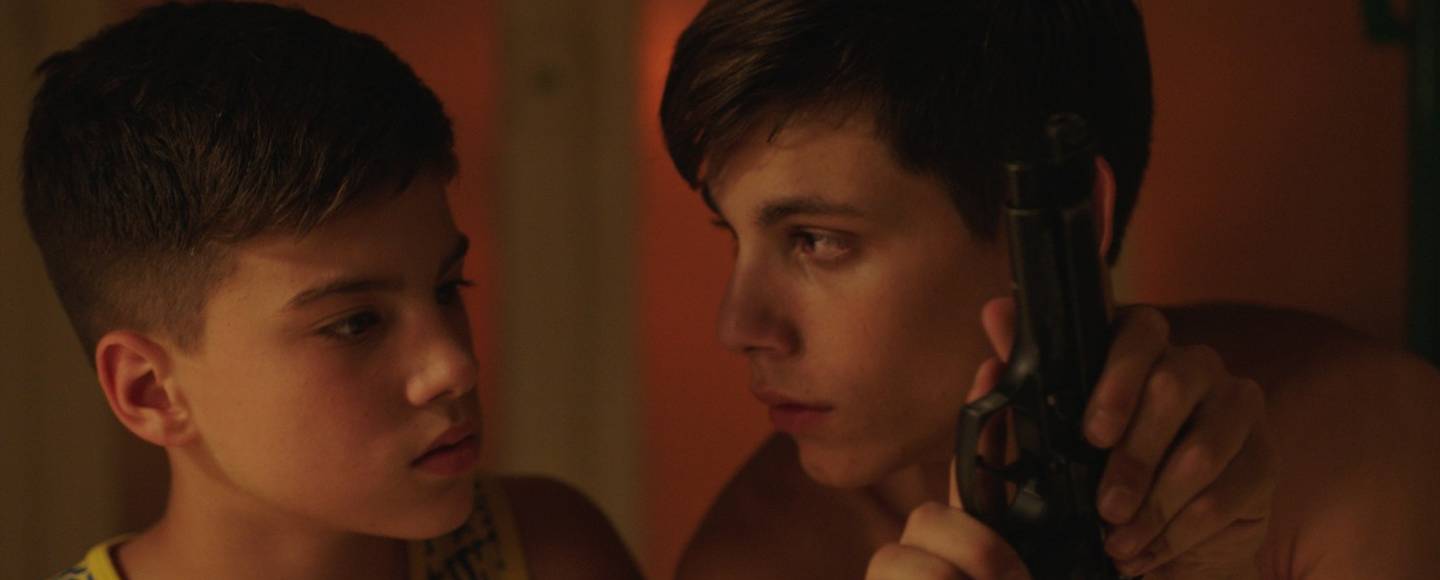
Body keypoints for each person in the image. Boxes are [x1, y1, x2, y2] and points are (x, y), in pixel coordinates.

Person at [659, 0, 1440, 578]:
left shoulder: (1367, 446)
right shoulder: (756, 560)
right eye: (734, 235)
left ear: (1065, 217)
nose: (738, 324)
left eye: (818, 240)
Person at [22, 3, 641, 579]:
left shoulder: (546, 551)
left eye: (447, 287)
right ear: (152, 391)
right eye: (355, 323)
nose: (455, 366)